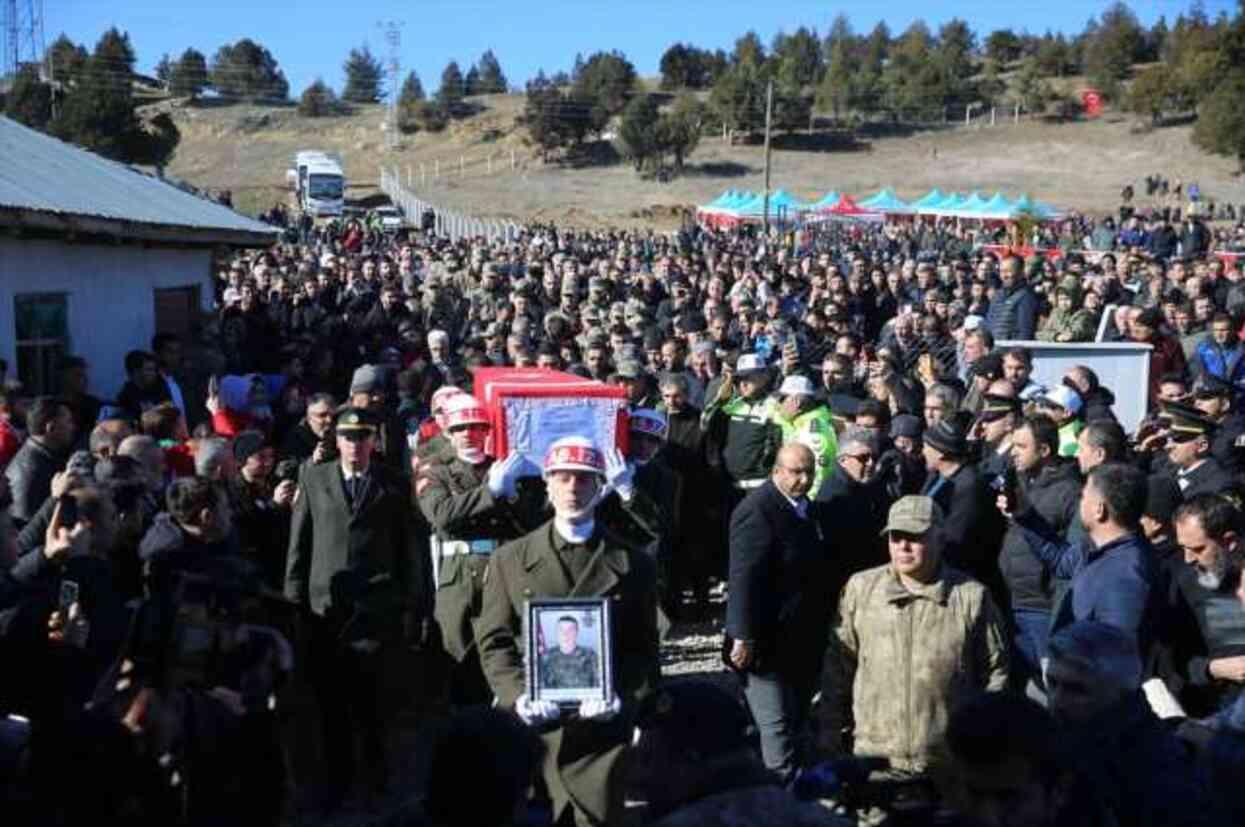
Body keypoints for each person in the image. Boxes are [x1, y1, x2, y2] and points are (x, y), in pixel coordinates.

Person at [475, 436, 659, 827]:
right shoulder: (511, 558)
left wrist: (622, 699)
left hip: (601, 736)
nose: (572, 488)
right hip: (537, 729)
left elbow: (644, 651)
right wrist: (517, 696)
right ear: (546, 483)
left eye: (583, 479)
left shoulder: (633, 562)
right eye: (562, 478)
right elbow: (494, 640)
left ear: (600, 487)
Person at [284, 406, 421, 811]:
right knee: (330, 703)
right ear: (336, 440)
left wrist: (411, 604)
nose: (355, 446)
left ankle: (379, 779)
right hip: (325, 611)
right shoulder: (314, 478)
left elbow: (406, 550)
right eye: (348, 438)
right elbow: (300, 544)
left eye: (363, 438)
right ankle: (337, 781)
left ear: (374, 441)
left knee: (376, 701)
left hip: (376, 609)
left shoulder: (393, 483)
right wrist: (294, 604)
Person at [820, 495, 1009, 773]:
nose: (903, 547)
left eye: (915, 537)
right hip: (874, 760)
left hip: (946, 765)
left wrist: (980, 743)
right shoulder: (861, 590)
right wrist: (831, 736)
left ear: (939, 540)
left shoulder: (971, 597)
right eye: (896, 537)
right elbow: (838, 669)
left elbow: (995, 674)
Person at [415, 394, 541, 705]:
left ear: (487, 431)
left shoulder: (502, 467)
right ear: (449, 433)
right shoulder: (436, 471)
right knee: (456, 652)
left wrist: (513, 495)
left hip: (501, 566)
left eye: (476, 427)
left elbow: (532, 522)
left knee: (506, 649)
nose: (468, 435)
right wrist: (490, 492)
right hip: (459, 572)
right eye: (461, 429)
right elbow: (441, 514)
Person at [1045, 621, 1219, 827]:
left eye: (1076, 689)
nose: (1057, 700)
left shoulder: (1153, 771)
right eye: (1052, 683)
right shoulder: (1064, 737)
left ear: (1120, 692)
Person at [725, 443, 829, 781]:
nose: (803, 479)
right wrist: (741, 635)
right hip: (763, 640)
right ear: (776, 472)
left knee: (795, 714)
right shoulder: (757, 510)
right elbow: (743, 576)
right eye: (796, 472)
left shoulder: (805, 508)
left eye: (809, 472)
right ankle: (778, 791)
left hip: (798, 634)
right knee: (775, 725)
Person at [1009, 462, 1163, 659]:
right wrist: (1024, 513)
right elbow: (1062, 562)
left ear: (1099, 510)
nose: (1080, 501)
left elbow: (1114, 659)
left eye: (1083, 496)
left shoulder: (1126, 575)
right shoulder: (1094, 546)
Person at [998, 415, 1081, 688]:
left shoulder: (1069, 492)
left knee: (1055, 691)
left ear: (1044, 450)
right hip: (1012, 602)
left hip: (1044, 609)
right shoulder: (1019, 482)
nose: (1013, 453)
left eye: (1021, 446)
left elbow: (1072, 555)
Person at [1170, 494, 1245, 716]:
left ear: (1229, 542)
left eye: (1199, 549)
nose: (1188, 559)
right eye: (1183, 547)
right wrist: (1213, 669)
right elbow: (1173, 662)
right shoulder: (1186, 586)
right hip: (1223, 717)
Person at [921, 418, 1003, 595]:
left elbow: (957, 540)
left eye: (926, 447)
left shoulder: (969, 487)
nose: (922, 451)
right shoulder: (936, 475)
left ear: (941, 452)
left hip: (954, 579)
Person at [6, 397, 76, 527]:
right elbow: (25, 533)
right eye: (69, 421)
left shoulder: (48, 457)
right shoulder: (28, 474)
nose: (73, 427)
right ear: (51, 427)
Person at [772, 376, 838, 492]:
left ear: (796, 402)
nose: (778, 404)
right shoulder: (797, 424)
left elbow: (819, 477)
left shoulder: (814, 432)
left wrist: (806, 506)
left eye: (782, 399)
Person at [1161, 403, 1235, 499]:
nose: (1168, 446)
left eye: (1178, 439)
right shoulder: (1166, 472)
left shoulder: (1219, 485)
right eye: (1168, 439)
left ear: (1202, 446)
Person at [986, 256, 1038, 340]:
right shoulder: (998, 295)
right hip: (993, 347)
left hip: (1010, 349)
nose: (1004, 275)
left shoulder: (1026, 297)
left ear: (1020, 273)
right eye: (1001, 271)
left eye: (1008, 271)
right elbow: (989, 323)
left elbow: (1024, 332)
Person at [540, 615, 599, 689]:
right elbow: (541, 687)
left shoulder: (590, 656)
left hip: (586, 699)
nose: (565, 634)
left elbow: (598, 685)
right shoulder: (546, 658)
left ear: (577, 632)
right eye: (561, 630)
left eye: (570, 630)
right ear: (556, 632)